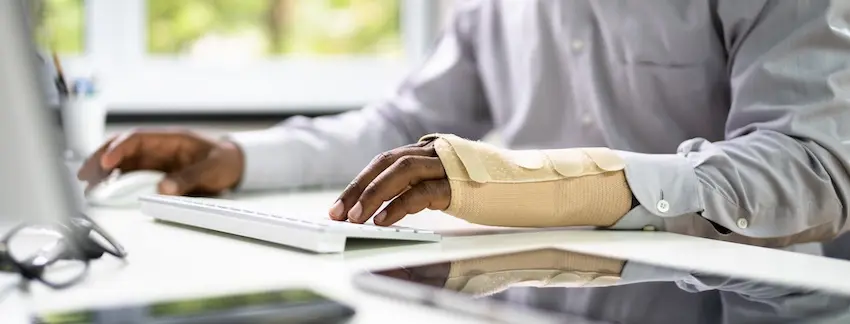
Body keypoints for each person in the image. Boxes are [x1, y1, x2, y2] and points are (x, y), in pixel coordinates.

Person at [78, 0, 850, 248]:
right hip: (535, 287)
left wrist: (525, 183)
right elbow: (407, 123)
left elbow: (814, 163)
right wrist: (241, 155)